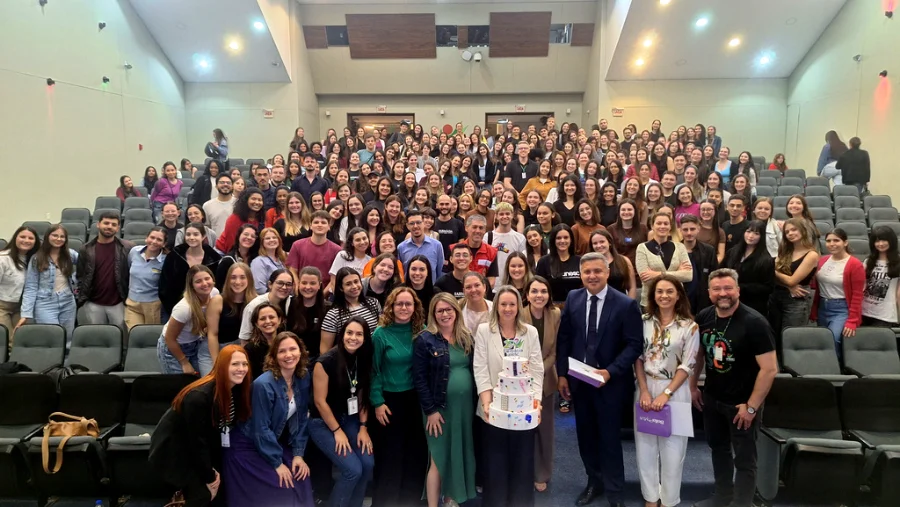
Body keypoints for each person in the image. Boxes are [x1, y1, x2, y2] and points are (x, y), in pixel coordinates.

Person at [556, 253, 643, 507]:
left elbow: (633, 345)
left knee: (609, 439)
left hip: (611, 384)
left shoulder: (625, 304)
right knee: (586, 436)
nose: (592, 276)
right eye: (587, 272)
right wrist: (562, 373)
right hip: (580, 382)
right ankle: (594, 482)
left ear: (607, 272)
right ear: (581, 274)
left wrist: (610, 371)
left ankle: (615, 492)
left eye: (597, 271)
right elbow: (565, 338)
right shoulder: (573, 298)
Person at [690, 269, 778, 507]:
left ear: (738, 290)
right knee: (718, 449)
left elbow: (769, 369)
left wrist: (751, 408)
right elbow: (698, 355)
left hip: (743, 403)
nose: (723, 294)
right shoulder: (704, 317)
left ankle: (742, 503)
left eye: (728, 288)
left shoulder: (755, 322)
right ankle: (722, 495)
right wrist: (692, 387)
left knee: (745, 459)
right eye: (717, 289)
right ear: (709, 293)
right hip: (713, 398)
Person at [149, 344, 250, 506]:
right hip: (176, 453)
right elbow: (196, 442)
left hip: (200, 451)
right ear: (222, 366)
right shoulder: (200, 397)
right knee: (204, 495)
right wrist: (209, 477)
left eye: (244, 364)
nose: (241, 368)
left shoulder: (235, 390)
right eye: (235, 364)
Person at [224, 332, 314, 506]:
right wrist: (277, 463)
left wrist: (298, 454)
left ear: (301, 352)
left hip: (270, 441)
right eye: (282, 351)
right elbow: (261, 429)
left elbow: (302, 418)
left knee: (301, 475)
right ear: (273, 356)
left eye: (293, 349)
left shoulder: (303, 377)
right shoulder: (263, 384)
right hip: (247, 444)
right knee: (282, 485)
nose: (288, 355)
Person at [473, 286, 544, 507]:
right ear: (496, 307)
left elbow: (537, 369)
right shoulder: (485, 330)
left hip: (524, 410)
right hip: (493, 408)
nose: (507, 308)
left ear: (518, 307)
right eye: (503, 304)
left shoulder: (529, 332)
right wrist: (486, 403)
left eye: (512, 304)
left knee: (522, 461)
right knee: (495, 462)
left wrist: (537, 403)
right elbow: (480, 368)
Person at [634, 275, 699, 507]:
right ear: (653, 296)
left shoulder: (689, 326)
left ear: (678, 295)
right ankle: (651, 498)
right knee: (646, 448)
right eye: (659, 291)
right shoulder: (643, 321)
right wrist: (643, 390)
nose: (664, 296)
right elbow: (638, 358)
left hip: (675, 391)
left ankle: (669, 500)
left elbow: (688, 364)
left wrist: (666, 394)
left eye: (669, 291)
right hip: (645, 388)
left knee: (673, 452)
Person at [414, 292, 478, 507]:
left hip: (464, 408)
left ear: (456, 311)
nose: (445, 314)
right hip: (438, 410)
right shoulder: (424, 339)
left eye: (448, 309)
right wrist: (431, 410)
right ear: (433, 314)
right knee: (438, 458)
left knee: (458, 452)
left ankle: (451, 497)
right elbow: (420, 379)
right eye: (439, 310)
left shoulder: (466, 337)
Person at [369, 287, 428, 507]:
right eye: (399, 304)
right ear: (391, 307)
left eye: (408, 304)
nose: (404, 308)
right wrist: (377, 402)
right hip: (388, 403)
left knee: (414, 456)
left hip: (414, 401)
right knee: (390, 459)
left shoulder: (421, 331)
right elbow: (373, 370)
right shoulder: (380, 334)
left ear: (415, 308)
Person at [308, 317, 376, 507]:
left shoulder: (362, 357)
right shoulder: (325, 362)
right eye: (349, 333)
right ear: (342, 334)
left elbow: (362, 395)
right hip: (323, 422)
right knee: (352, 469)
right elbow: (320, 402)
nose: (353, 338)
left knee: (368, 464)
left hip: (351, 419)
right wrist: (338, 432)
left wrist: (363, 427)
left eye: (359, 334)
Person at [520, 276, 559, 493]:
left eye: (543, 291)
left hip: (545, 380)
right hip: (520, 380)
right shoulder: (518, 313)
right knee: (523, 430)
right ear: (526, 294)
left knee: (545, 430)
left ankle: (542, 473)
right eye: (534, 291)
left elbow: (554, 352)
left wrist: (537, 371)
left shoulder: (555, 314)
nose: (539, 295)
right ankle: (523, 471)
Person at [810, 229, 866, 361]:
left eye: (836, 240)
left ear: (845, 242)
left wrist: (852, 320)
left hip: (841, 309)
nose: (832, 244)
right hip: (823, 308)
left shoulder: (854, 264)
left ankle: (838, 372)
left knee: (834, 339)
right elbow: (817, 288)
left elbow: (858, 295)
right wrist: (814, 310)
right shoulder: (822, 261)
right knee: (823, 342)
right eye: (828, 241)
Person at [769, 218, 819, 362]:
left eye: (794, 230)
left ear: (803, 230)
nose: (790, 233)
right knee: (774, 335)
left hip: (797, 300)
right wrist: (787, 285)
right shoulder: (785, 249)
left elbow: (792, 280)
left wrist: (772, 268)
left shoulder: (811, 254)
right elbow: (782, 280)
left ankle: (792, 369)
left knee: (790, 336)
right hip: (776, 295)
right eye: (787, 231)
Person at [18, 225, 78, 341]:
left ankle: (66, 359)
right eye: (55, 235)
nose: (58, 239)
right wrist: (26, 313)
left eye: (62, 236)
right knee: (51, 337)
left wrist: (75, 279)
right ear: (47, 237)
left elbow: (86, 265)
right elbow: (31, 286)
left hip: (68, 301)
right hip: (44, 303)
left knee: (68, 338)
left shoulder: (70, 254)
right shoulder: (37, 258)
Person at [158, 265, 219, 376]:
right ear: (192, 286)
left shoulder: (215, 294)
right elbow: (169, 338)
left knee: (200, 381)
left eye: (207, 278)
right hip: (174, 348)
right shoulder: (184, 308)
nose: (205, 284)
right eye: (198, 281)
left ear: (213, 279)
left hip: (195, 343)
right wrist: (184, 362)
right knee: (180, 386)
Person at [76, 211, 131, 332]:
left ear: (118, 228)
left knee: (120, 337)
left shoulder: (127, 247)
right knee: (97, 336)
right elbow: (80, 275)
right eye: (106, 223)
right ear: (98, 224)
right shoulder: (86, 249)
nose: (109, 226)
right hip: (93, 303)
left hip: (118, 302)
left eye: (113, 224)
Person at [159, 223, 222, 317]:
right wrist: (174, 309)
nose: (191, 237)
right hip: (176, 309)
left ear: (203, 236)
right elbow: (164, 284)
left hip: (206, 311)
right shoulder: (174, 256)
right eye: (188, 234)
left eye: (196, 234)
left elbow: (217, 287)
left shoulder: (215, 259)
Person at [320, 267, 382, 356]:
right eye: (348, 284)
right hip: (348, 361)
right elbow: (325, 351)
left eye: (356, 281)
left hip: (375, 356)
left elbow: (382, 332)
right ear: (341, 288)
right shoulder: (333, 314)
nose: (354, 286)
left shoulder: (374, 303)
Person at [636, 212, 693, 308]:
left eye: (666, 224)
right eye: (659, 223)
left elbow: (688, 276)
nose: (662, 226)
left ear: (670, 227)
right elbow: (646, 279)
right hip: (650, 302)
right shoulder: (642, 248)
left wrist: (658, 274)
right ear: (652, 226)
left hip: (676, 302)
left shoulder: (680, 247)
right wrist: (678, 273)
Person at [722, 220, 775, 316]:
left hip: (752, 306)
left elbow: (768, 287)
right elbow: (721, 271)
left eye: (756, 233)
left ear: (761, 236)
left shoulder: (766, 259)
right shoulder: (732, 252)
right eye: (748, 231)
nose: (751, 236)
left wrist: (741, 287)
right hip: (729, 301)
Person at [0, 226, 39, 344]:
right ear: (15, 238)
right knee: (7, 340)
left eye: (30, 238)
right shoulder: (3, 258)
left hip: (21, 307)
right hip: (2, 306)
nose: (26, 240)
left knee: (21, 340)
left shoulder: (34, 259)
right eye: (22, 237)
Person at [287, 211, 342, 295]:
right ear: (310, 226)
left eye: (323, 222)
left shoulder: (337, 250)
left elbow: (335, 277)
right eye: (316, 222)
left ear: (329, 226)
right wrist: (298, 289)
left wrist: (322, 296)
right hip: (301, 292)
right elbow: (292, 270)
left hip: (325, 296)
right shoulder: (297, 245)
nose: (319, 225)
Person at [125, 227, 167, 329]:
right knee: (133, 333)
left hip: (153, 305)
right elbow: (128, 269)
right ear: (146, 238)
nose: (154, 241)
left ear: (164, 244)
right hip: (132, 303)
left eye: (159, 240)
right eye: (152, 237)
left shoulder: (166, 260)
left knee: (150, 336)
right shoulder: (134, 251)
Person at [207, 262, 256, 350]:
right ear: (228, 280)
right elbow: (212, 335)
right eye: (233, 277)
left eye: (242, 277)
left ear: (249, 279)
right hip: (219, 347)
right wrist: (217, 361)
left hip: (244, 347)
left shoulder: (255, 301)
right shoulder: (217, 301)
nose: (237, 282)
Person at [862, 226, 900, 327]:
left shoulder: (898, 262)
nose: (880, 244)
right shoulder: (868, 262)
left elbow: (898, 293)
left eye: (884, 240)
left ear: (891, 241)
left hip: (884, 315)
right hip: (864, 312)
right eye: (877, 241)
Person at [535, 224, 583, 304]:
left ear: (571, 240)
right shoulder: (544, 262)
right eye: (558, 238)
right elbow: (538, 287)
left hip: (576, 305)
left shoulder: (580, 261)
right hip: (552, 308)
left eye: (566, 237)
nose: (562, 241)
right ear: (553, 240)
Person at [680, 215, 717, 316]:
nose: (689, 233)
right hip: (680, 299)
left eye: (692, 229)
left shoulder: (709, 251)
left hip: (702, 301)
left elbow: (714, 276)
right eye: (685, 229)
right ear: (680, 230)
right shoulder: (673, 250)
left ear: (698, 229)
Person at [397, 210, 444, 283]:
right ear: (407, 226)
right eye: (412, 223)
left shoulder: (437, 245)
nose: (415, 226)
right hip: (409, 291)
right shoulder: (401, 247)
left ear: (423, 223)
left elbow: (439, 272)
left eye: (418, 222)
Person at [487, 203, 527, 288]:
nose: (504, 216)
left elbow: (522, 263)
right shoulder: (488, 236)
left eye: (507, 214)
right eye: (501, 214)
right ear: (496, 216)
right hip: (492, 285)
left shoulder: (520, 238)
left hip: (512, 285)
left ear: (512, 215)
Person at [589, 230, 636, 299]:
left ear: (609, 242)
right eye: (595, 243)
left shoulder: (624, 260)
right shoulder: (589, 263)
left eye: (602, 242)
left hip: (621, 303)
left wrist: (630, 305)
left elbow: (632, 287)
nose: (599, 245)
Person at [608, 199, 648, 270]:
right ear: (619, 212)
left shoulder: (643, 228)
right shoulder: (611, 229)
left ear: (635, 211)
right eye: (623, 210)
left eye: (629, 209)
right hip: (619, 268)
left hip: (639, 268)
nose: (626, 212)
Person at [250, 228, 287, 295]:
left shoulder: (282, 259)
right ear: (262, 242)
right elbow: (259, 288)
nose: (272, 240)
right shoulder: (258, 262)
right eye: (267, 238)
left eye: (274, 237)